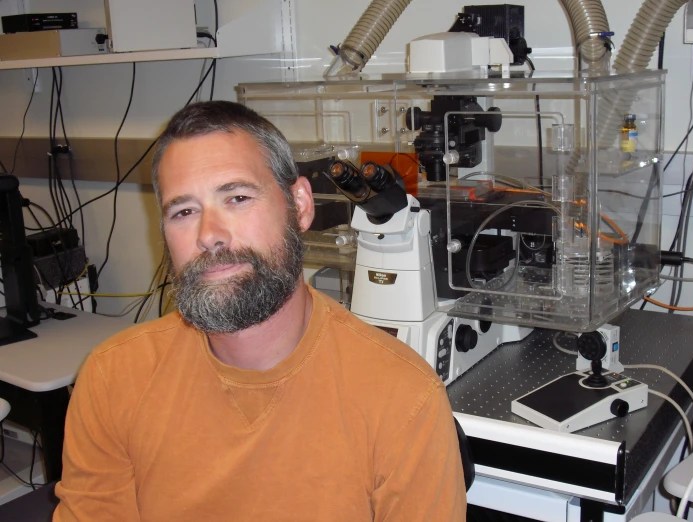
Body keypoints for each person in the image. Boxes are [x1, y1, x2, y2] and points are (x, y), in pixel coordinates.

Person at [53, 101, 467, 521]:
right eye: (184, 211)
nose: (209, 235)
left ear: (300, 206)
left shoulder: (402, 400)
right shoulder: (114, 377)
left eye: (236, 197)